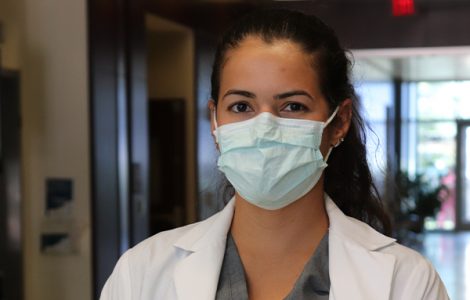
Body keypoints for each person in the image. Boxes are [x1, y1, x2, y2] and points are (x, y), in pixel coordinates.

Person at [100, 9, 449, 300]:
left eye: (293, 106)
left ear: (339, 122)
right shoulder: (141, 274)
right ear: (215, 120)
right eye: (241, 106)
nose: (264, 127)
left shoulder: (407, 282)